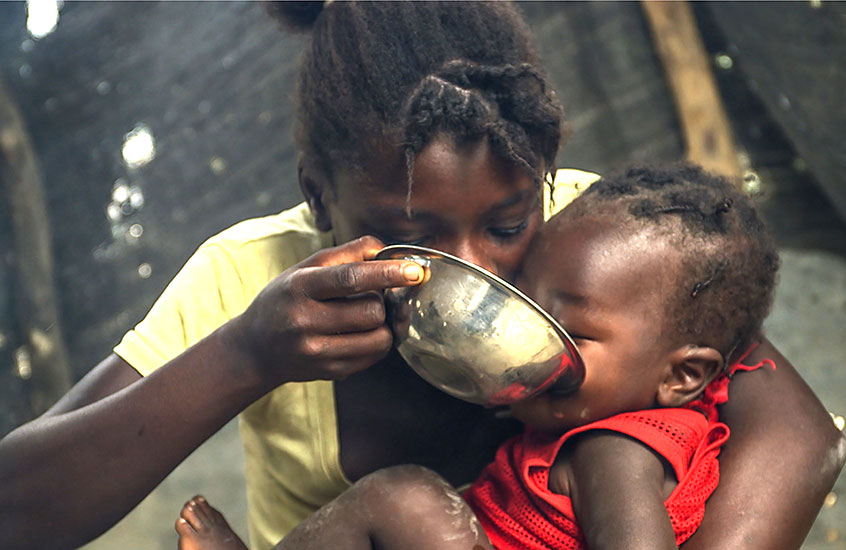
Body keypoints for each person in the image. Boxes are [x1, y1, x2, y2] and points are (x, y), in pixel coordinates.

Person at [0, 3, 843, 550]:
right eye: (406, 234)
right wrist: (244, 358)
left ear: (545, 181)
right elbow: (17, 507)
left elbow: (801, 436)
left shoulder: (602, 236)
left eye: (510, 226)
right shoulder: (248, 276)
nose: (470, 267)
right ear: (316, 197)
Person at [169, 163, 780, 550]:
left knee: (408, 498)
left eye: (574, 331)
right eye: (533, 310)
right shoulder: (618, 407)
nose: (534, 338)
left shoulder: (614, 451)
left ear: (683, 375)